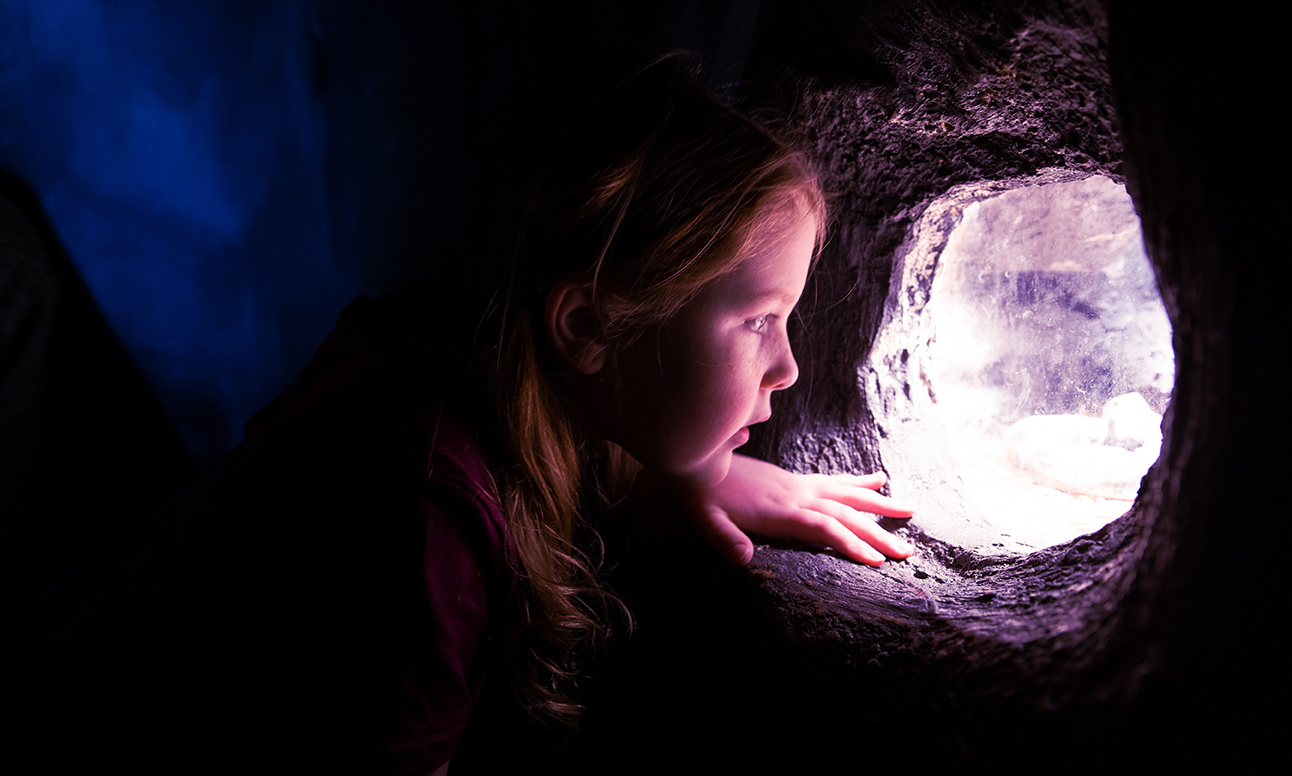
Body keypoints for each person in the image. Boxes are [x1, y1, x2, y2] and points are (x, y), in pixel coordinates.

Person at [40, 53, 914, 774]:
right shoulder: (418, 507)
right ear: (588, 325)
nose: (790, 366)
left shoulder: (488, 349)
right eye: (759, 320)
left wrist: (710, 473)